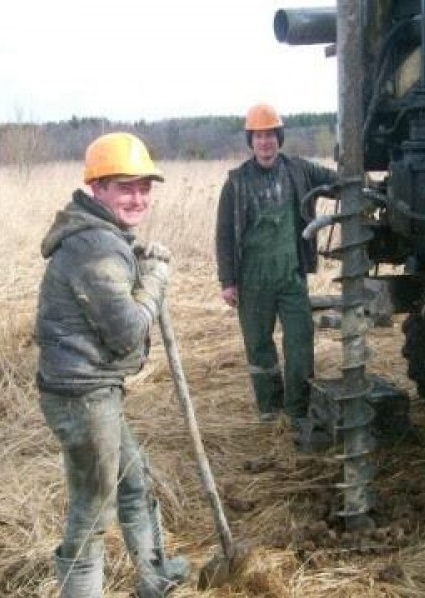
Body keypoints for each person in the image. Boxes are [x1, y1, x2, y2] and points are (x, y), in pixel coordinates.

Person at [36, 132, 189, 598]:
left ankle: (153, 576)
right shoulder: (95, 246)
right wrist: (155, 281)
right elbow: (125, 332)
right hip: (82, 397)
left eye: (145, 188)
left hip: (94, 391)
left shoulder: (102, 237)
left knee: (133, 479)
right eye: (125, 187)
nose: (138, 198)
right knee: (91, 508)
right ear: (97, 187)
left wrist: (137, 269)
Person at [215, 103, 338, 431]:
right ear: (251, 141)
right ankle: (270, 407)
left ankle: (297, 407)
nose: (265, 142)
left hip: (291, 277)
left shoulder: (299, 170)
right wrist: (228, 281)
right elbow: (224, 235)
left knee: (300, 339)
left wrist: (362, 183)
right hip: (252, 280)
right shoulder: (236, 183)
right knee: (258, 344)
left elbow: (336, 181)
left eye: (270, 135)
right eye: (259, 136)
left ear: (279, 138)